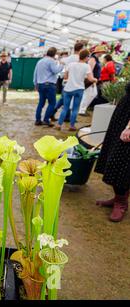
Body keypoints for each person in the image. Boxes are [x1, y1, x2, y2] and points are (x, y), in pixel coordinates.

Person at [95, 82, 130, 222]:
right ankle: (119, 198)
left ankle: (121, 203)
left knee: (121, 162)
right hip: (125, 111)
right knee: (114, 156)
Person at [55, 49, 97, 131]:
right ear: (86, 57)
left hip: (68, 89)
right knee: (75, 108)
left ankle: (59, 124)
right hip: (79, 89)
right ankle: (72, 126)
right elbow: (90, 79)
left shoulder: (71, 64)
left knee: (65, 108)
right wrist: (95, 79)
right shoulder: (86, 66)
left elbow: (65, 77)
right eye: (88, 57)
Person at [51, 42, 84, 120]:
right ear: (81, 49)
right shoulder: (80, 58)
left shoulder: (69, 58)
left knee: (64, 99)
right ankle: (61, 115)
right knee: (68, 100)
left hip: (66, 81)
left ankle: (60, 114)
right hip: (75, 82)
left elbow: (61, 61)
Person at [33, 47, 64, 126]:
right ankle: (46, 120)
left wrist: (35, 84)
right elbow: (55, 71)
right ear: (54, 54)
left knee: (41, 103)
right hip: (49, 85)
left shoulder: (40, 61)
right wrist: (61, 65)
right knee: (52, 103)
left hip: (40, 84)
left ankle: (37, 120)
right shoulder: (51, 61)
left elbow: (35, 73)